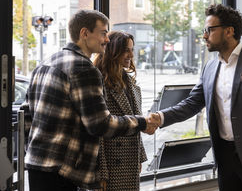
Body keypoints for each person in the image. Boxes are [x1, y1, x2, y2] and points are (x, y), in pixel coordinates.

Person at [149, 4, 242, 191]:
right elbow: (192, 103)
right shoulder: (210, 67)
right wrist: (160, 117)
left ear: (229, 31)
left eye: (209, 30)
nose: (204, 35)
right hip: (224, 159)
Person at [23, 10, 156, 191]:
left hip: (37, 167)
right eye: (103, 33)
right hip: (63, 172)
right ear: (85, 33)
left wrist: (33, 153)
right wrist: (142, 122)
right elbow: (100, 124)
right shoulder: (84, 68)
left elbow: (27, 117)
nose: (106, 39)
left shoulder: (46, 63)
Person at [93, 31, 146, 191]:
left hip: (129, 159)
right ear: (112, 51)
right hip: (110, 163)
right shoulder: (99, 82)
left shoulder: (130, 83)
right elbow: (97, 131)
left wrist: (140, 157)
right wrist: (100, 171)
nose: (131, 54)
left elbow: (136, 124)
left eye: (132, 49)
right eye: (125, 50)